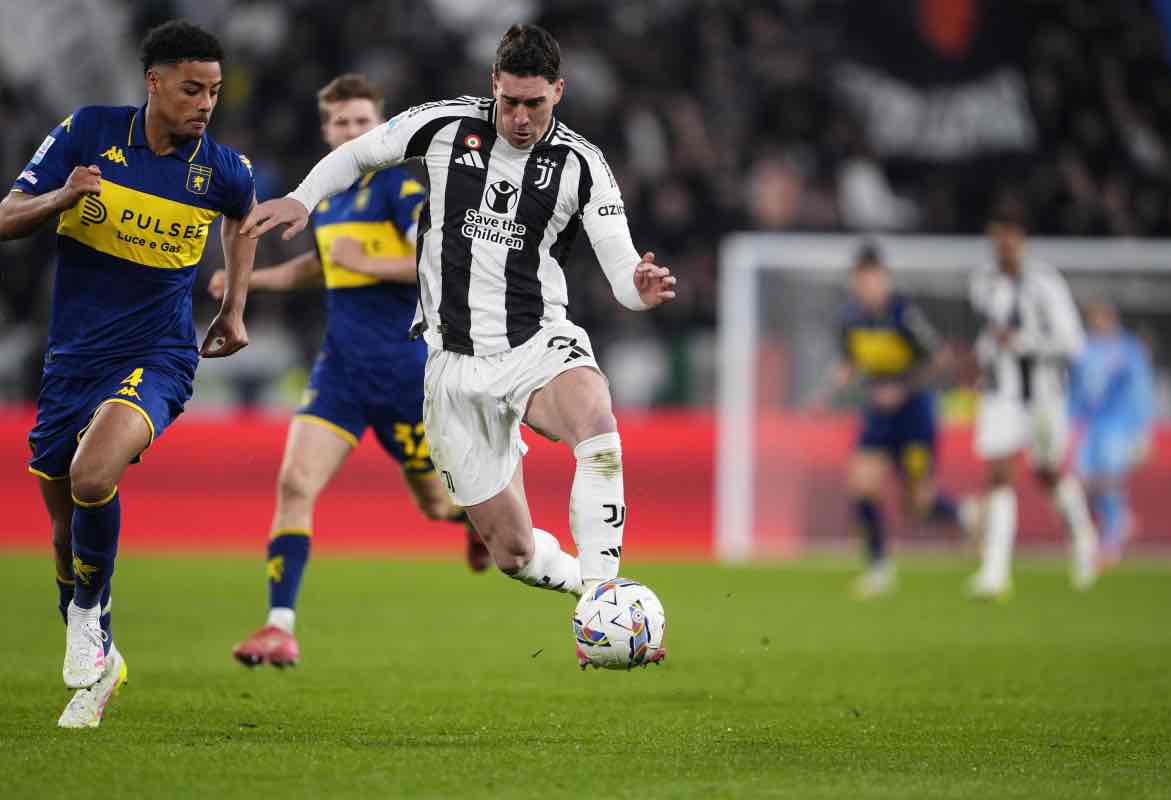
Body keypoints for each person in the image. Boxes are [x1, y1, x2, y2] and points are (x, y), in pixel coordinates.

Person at [240, 24, 676, 667]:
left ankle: (603, 594)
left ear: (558, 92)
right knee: (514, 553)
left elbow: (622, 274)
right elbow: (360, 153)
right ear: (493, 86)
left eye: (536, 104)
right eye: (511, 102)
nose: (521, 118)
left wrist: (640, 287)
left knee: (595, 419)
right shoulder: (446, 125)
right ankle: (582, 588)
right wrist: (303, 200)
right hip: (450, 366)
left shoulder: (583, 165)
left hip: (536, 342)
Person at [0, 20, 256, 726]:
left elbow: (242, 219)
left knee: (92, 475)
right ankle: (101, 654)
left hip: (158, 355)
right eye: (191, 89)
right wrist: (60, 199)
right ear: (154, 81)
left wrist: (234, 309)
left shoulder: (222, 169)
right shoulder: (88, 132)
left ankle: (88, 612)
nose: (205, 104)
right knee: (63, 532)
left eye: (214, 91)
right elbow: (7, 215)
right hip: (72, 360)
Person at [215, 74, 490, 669]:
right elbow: (319, 267)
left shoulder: (399, 186)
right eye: (342, 122)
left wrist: (366, 259)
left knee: (436, 506)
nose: (352, 131)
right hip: (340, 370)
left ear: (380, 127)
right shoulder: (328, 196)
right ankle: (279, 627)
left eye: (363, 121)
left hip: (405, 377)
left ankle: (474, 519)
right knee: (295, 484)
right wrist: (247, 281)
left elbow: (438, 259)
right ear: (327, 130)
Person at [966, 203, 1097, 598]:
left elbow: (1073, 343)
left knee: (1047, 472)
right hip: (1001, 395)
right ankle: (995, 570)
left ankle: (1082, 536)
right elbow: (989, 334)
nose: (1003, 243)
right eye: (997, 235)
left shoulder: (1045, 284)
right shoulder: (983, 283)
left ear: (1023, 239)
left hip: (1042, 396)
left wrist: (1024, 343)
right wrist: (985, 357)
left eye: (1009, 235)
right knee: (998, 472)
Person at [823, 243, 962, 597]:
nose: (867, 286)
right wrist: (842, 376)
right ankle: (879, 568)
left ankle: (966, 516)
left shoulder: (904, 315)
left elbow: (940, 359)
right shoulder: (850, 319)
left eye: (873, 279)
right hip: (878, 415)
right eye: (861, 280)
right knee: (861, 486)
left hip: (914, 414)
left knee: (918, 506)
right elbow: (852, 359)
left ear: (884, 279)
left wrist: (902, 388)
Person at [1070, 301, 1153, 568]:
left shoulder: (1129, 349)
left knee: (1109, 481)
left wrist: (1142, 432)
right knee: (1083, 484)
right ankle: (1115, 522)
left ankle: (1111, 540)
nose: (1096, 323)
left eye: (1100, 317)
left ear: (1111, 318)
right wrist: (1069, 421)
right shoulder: (1082, 348)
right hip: (1088, 425)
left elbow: (1140, 391)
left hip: (1117, 424)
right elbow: (1074, 388)